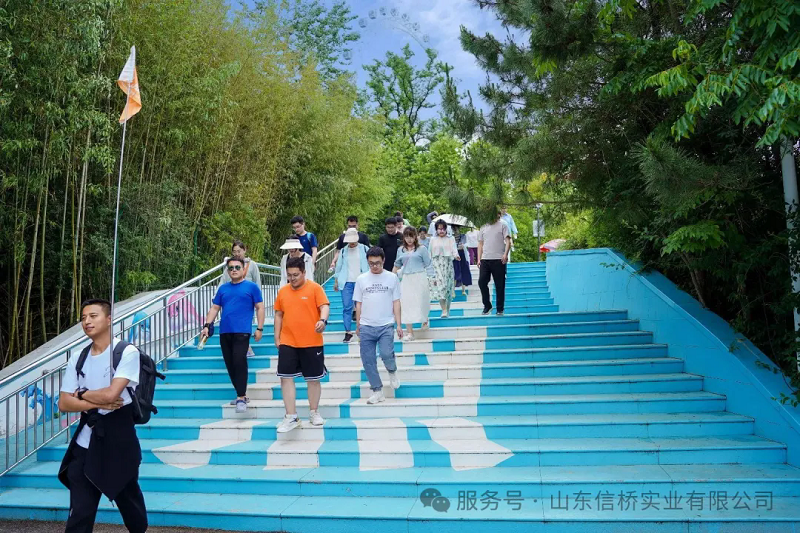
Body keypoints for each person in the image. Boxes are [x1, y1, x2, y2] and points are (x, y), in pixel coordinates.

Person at [58, 298, 147, 533]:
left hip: (119, 440)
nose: (87, 321)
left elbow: (112, 394)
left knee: (131, 505)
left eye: (93, 316)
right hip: (85, 442)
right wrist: (95, 402)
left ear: (109, 319)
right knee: (80, 512)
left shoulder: (126, 352)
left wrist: (82, 394)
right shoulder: (78, 357)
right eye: (83, 317)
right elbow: (64, 403)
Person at [201, 256, 266, 412]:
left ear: (244, 269)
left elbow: (260, 307)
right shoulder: (223, 289)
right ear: (227, 271)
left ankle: (241, 397)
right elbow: (215, 308)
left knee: (239, 360)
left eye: (237, 267)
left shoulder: (251, 287)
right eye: (231, 268)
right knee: (230, 363)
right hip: (225, 331)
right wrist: (207, 325)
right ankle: (241, 394)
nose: (234, 270)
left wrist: (260, 328)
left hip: (242, 331)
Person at [273, 256, 330, 432]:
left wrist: (322, 320)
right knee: (285, 377)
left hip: (311, 341)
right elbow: (278, 314)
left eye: (296, 275)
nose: (292, 278)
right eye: (289, 275)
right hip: (288, 340)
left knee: (313, 379)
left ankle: (314, 412)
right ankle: (291, 416)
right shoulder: (283, 291)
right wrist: (277, 337)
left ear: (304, 272)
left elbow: (324, 306)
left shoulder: (315, 288)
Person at [354, 247, 403, 405]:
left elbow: (396, 302)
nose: (374, 266)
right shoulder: (361, 279)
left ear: (383, 261)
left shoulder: (392, 278)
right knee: (368, 360)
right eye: (371, 263)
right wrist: (358, 324)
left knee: (386, 353)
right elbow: (358, 304)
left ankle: (392, 370)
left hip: (386, 324)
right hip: (366, 325)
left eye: (377, 263)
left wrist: (399, 324)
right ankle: (377, 391)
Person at [393, 227, 432, 340]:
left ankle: (425, 319)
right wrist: (391, 278)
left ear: (415, 237)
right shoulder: (400, 250)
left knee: (421, 300)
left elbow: (428, 264)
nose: (409, 239)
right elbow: (397, 265)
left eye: (411, 236)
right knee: (405, 303)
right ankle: (410, 332)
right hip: (406, 278)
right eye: (406, 237)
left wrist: (432, 278)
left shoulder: (422, 249)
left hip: (420, 277)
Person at [334, 228, 369, 343]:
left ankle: (362, 330)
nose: (352, 243)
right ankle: (348, 332)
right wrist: (336, 280)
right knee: (347, 307)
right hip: (346, 282)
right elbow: (338, 267)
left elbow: (370, 263)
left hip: (361, 281)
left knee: (362, 307)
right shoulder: (343, 251)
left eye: (353, 240)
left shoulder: (364, 249)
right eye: (349, 240)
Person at [478, 210, 512, 316]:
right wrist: (479, 259)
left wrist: (505, 254)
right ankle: (487, 305)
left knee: (499, 285)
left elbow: (508, 241)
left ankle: (500, 309)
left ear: (499, 215)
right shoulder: (483, 227)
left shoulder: (503, 225)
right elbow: (480, 244)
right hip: (485, 259)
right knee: (482, 282)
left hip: (498, 259)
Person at [429, 219, 460, 318]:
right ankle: (444, 310)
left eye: (443, 229)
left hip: (448, 265)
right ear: (436, 230)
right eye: (439, 229)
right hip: (436, 264)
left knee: (448, 288)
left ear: (446, 229)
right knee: (441, 286)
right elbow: (429, 253)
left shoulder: (451, 238)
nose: (441, 231)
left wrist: (456, 256)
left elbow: (454, 250)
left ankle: (447, 309)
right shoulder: (433, 239)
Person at [452, 225, 473, 295]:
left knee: (464, 272)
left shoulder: (463, 236)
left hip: (462, 255)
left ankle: (463, 290)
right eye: (454, 229)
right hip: (455, 256)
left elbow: (467, 244)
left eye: (456, 229)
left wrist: (463, 246)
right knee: (455, 272)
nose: (455, 231)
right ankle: (453, 291)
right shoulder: (451, 237)